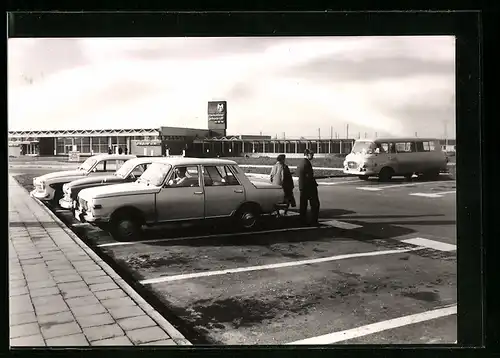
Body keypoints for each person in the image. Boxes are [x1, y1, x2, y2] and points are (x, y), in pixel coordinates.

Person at [296, 149, 320, 226]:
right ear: (307, 154)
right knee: (315, 204)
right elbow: (309, 176)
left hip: (303, 187)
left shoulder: (301, 162)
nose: (313, 156)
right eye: (311, 154)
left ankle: (302, 221)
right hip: (309, 187)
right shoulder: (306, 163)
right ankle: (314, 221)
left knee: (303, 205)